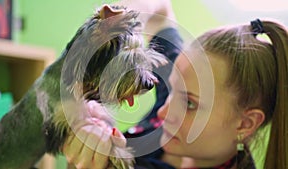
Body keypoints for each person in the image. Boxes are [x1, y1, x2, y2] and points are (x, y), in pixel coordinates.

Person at [62, 0, 288, 169]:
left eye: (189, 104)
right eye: (172, 89)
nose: (163, 111)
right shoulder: (186, 81)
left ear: (245, 124)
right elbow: (160, 11)